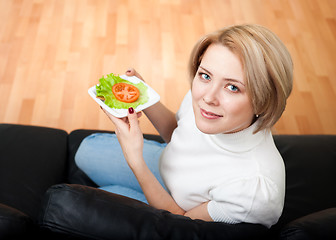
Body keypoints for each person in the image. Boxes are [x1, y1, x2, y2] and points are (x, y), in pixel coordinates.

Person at [75, 24, 293, 228]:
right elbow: (176, 132)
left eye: (233, 88)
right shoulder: (207, 99)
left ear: (264, 99)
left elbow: (179, 223)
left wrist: (136, 162)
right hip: (167, 165)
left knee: (86, 202)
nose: (207, 97)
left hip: (174, 208)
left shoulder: (255, 191)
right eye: (205, 75)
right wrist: (143, 97)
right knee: (84, 151)